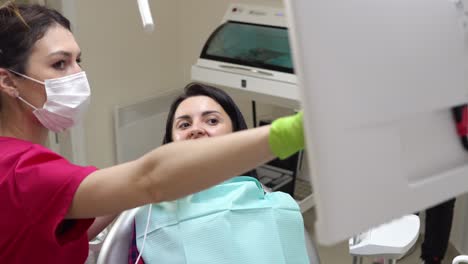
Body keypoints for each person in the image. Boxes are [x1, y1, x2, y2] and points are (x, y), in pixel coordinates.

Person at [0, 3, 304, 263]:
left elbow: (60, 226)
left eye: (78, 61)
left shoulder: (278, 208)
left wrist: (142, 182)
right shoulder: (21, 172)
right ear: (9, 82)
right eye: (59, 64)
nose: (78, 76)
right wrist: (290, 134)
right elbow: (149, 180)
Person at [128, 83, 309, 264]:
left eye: (212, 121)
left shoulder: (279, 209)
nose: (196, 130)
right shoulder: (150, 215)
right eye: (184, 125)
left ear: (236, 134)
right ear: (169, 143)